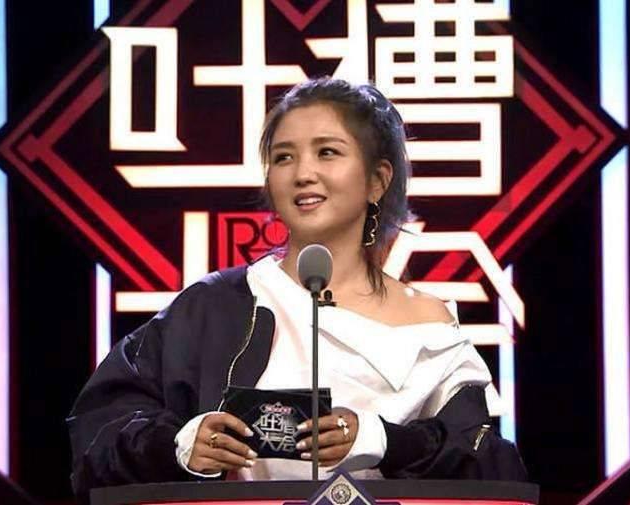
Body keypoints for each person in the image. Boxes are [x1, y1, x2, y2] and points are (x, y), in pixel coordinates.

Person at [67, 77, 526, 501]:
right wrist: (180, 446)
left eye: (327, 152)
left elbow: (491, 467)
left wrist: (384, 439)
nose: (303, 173)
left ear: (377, 180)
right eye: (284, 157)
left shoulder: (429, 325)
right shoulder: (217, 305)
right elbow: (100, 431)